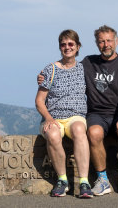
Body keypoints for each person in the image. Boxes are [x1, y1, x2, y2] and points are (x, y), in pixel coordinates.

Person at [38, 25, 118, 197]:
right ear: (97, 43)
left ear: (116, 41)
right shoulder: (88, 63)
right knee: (93, 134)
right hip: (96, 114)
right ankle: (103, 180)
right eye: (101, 41)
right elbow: (64, 69)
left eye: (109, 40)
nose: (106, 44)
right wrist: (42, 77)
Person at [35, 29, 93, 198]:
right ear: (59, 47)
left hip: (76, 116)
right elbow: (39, 101)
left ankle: (84, 181)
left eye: (70, 44)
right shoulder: (50, 70)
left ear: (78, 46)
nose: (67, 47)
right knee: (52, 135)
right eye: (63, 44)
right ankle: (62, 180)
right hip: (53, 116)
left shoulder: (84, 69)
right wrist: (49, 118)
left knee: (79, 131)